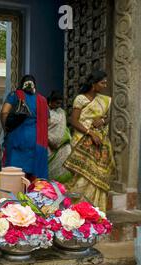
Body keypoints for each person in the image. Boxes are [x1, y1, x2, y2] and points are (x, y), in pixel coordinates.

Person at [64, 70, 115, 211]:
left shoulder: (104, 100)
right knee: (83, 177)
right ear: (93, 84)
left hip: (99, 142)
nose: (105, 85)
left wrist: (103, 120)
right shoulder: (81, 99)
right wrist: (90, 133)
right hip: (82, 140)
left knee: (97, 177)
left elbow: (108, 117)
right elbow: (73, 121)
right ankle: (77, 208)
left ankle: (95, 209)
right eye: (102, 83)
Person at [0, 75, 49, 180]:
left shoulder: (14, 95)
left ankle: (15, 194)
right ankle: (32, 195)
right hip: (36, 141)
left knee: (14, 175)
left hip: (16, 139)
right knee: (33, 177)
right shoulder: (42, 100)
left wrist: (6, 130)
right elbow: (47, 120)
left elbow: (4, 112)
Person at [47, 91, 73, 183]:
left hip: (62, 146)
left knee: (64, 165)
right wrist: (50, 140)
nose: (58, 105)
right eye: (57, 103)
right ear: (51, 101)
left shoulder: (61, 112)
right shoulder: (44, 111)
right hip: (48, 144)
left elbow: (62, 128)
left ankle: (62, 187)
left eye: (60, 103)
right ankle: (50, 187)